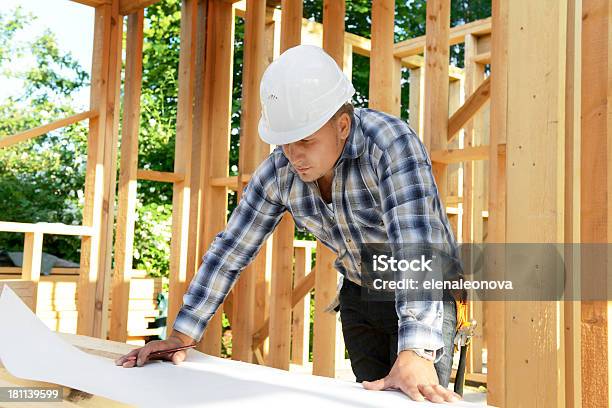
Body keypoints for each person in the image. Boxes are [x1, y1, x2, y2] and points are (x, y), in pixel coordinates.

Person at [116, 44, 463, 404]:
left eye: (306, 141)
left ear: (342, 125)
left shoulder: (389, 144)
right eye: (284, 144)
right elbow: (231, 248)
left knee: (418, 397)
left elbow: (416, 246)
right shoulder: (280, 171)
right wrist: (183, 332)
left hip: (425, 293)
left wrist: (417, 349)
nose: (294, 156)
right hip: (360, 293)